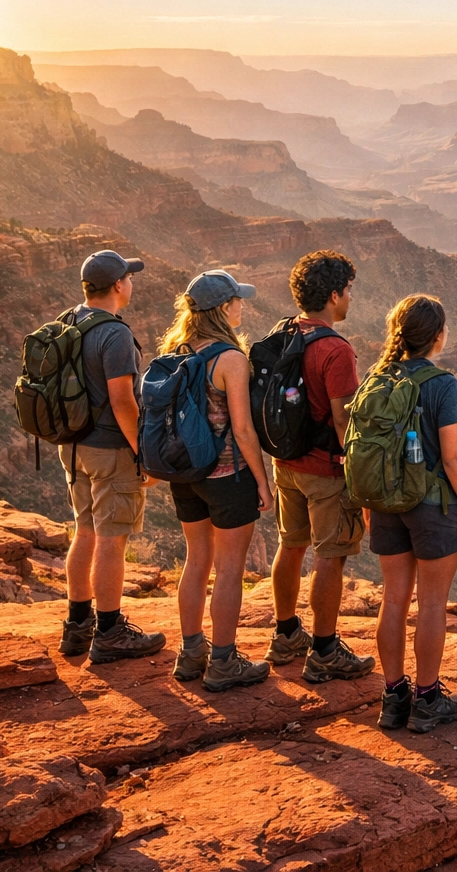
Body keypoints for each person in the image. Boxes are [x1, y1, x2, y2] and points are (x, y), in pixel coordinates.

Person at [366, 295, 457, 732]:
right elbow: (454, 458)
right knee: (431, 604)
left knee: (393, 598)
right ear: (438, 335)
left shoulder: (377, 377)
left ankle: (393, 696)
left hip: (385, 503)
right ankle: (428, 698)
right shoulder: (442, 383)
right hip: (433, 506)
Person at [263, 251, 375, 683]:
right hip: (325, 469)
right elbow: (344, 417)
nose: (350, 298)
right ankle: (325, 651)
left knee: (290, 545)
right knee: (331, 557)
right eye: (348, 291)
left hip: (285, 462)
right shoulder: (334, 349)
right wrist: (360, 477)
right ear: (333, 295)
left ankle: (286, 632)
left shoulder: (286, 332)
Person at [159, 270, 273, 692]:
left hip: (185, 474)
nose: (242, 305)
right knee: (229, 569)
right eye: (237, 300)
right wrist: (262, 481)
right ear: (223, 309)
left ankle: (191, 653)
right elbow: (243, 430)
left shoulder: (177, 348)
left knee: (197, 559)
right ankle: (224, 660)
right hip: (227, 475)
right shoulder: (230, 358)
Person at [58, 250, 166, 664]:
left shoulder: (70, 320)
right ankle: (110, 632)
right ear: (118, 285)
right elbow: (123, 401)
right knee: (111, 539)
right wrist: (144, 454)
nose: (132, 284)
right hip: (109, 449)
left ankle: (77, 625)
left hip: (73, 446)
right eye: (129, 278)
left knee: (84, 532)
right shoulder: (115, 333)